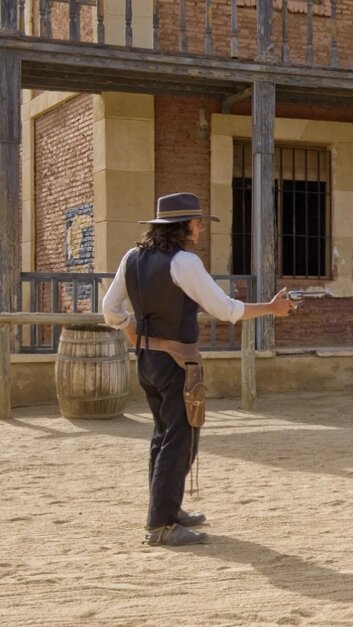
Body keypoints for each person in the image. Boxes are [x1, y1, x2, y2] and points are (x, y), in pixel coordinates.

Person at [103, 192, 292, 546]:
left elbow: (109, 308)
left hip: (147, 360)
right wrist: (270, 308)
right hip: (176, 363)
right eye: (197, 222)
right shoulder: (185, 263)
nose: (201, 229)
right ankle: (161, 524)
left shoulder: (133, 257)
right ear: (184, 226)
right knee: (179, 439)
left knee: (165, 436)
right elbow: (225, 309)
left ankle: (167, 510)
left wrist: (131, 330)